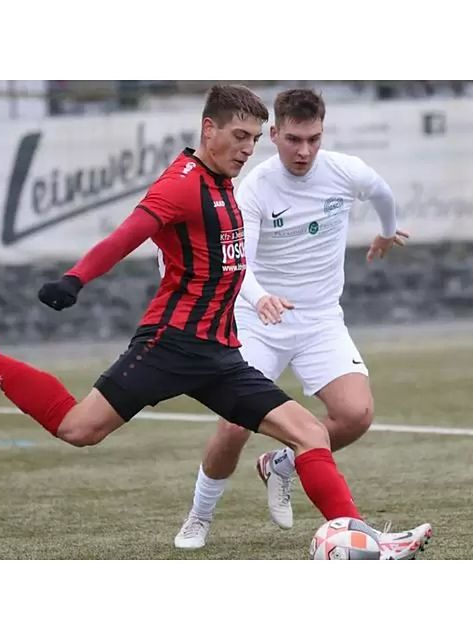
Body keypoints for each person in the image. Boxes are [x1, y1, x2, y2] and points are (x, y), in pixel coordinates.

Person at [0, 84, 429, 560]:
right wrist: (75, 279)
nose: (248, 149)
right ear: (209, 130)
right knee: (78, 429)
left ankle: (362, 542)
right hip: (168, 345)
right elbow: (129, 233)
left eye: (252, 138)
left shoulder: (227, 182)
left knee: (310, 435)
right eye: (239, 136)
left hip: (222, 353)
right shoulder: (182, 185)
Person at [173, 89, 429, 556]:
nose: (303, 151)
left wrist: (388, 231)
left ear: (322, 133)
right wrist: (260, 297)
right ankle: (199, 516)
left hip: (320, 321)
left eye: (313, 139)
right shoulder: (253, 188)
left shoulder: (344, 170)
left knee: (356, 415)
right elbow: (238, 262)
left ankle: (283, 464)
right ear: (273, 135)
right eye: (293, 139)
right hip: (257, 320)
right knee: (233, 426)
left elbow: (382, 192)